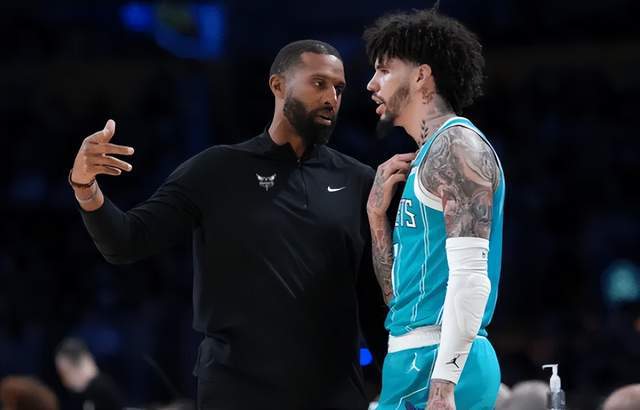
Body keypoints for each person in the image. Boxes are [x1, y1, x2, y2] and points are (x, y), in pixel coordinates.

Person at [68, 39, 386, 409]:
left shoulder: (359, 180)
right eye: (319, 83)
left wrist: (395, 383)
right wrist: (84, 185)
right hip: (237, 392)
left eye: (339, 88)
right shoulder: (216, 170)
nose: (331, 98)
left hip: (334, 393)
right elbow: (126, 241)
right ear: (278, 85)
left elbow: (372, 300)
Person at [363, 8, 504, 410]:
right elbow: (398, 297)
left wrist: (443, 385)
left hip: (438, 363)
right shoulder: (430, 156)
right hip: (414, 356)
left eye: (384, 70)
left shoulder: (457, 147)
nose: (372, 84)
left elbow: (472, 278)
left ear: (422, 76)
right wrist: (376, 218)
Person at [54, 338, 125, 410]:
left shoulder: (100, 391)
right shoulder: (93, 391)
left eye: (65, 373)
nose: (64, 382)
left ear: (78, 366)